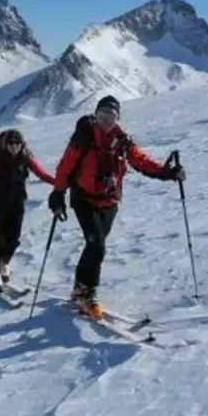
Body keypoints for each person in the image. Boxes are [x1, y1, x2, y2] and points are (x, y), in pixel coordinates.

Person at [47, 95, 186, 318]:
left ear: (118, 117)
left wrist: (166, 172)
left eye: (111, 116)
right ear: (96, 114)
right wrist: (57, 193)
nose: (107, 120)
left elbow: (140, 160)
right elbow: (66, 166)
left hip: (109, 202)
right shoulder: (83, 137)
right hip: (84, 199)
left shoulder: (122, 141)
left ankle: (79, 287)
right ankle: (88, 294)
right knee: (97, 246)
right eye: (103, 115)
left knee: (94, 246)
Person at [0, 129, 55, 290]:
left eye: (17, 144)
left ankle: (4, 262)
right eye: (11, 144)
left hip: (17, 203)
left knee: (14, 239)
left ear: (22, 145)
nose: (14, 147)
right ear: (5, 145)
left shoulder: (26, 159)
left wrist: (60, 184)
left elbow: (42, 175)